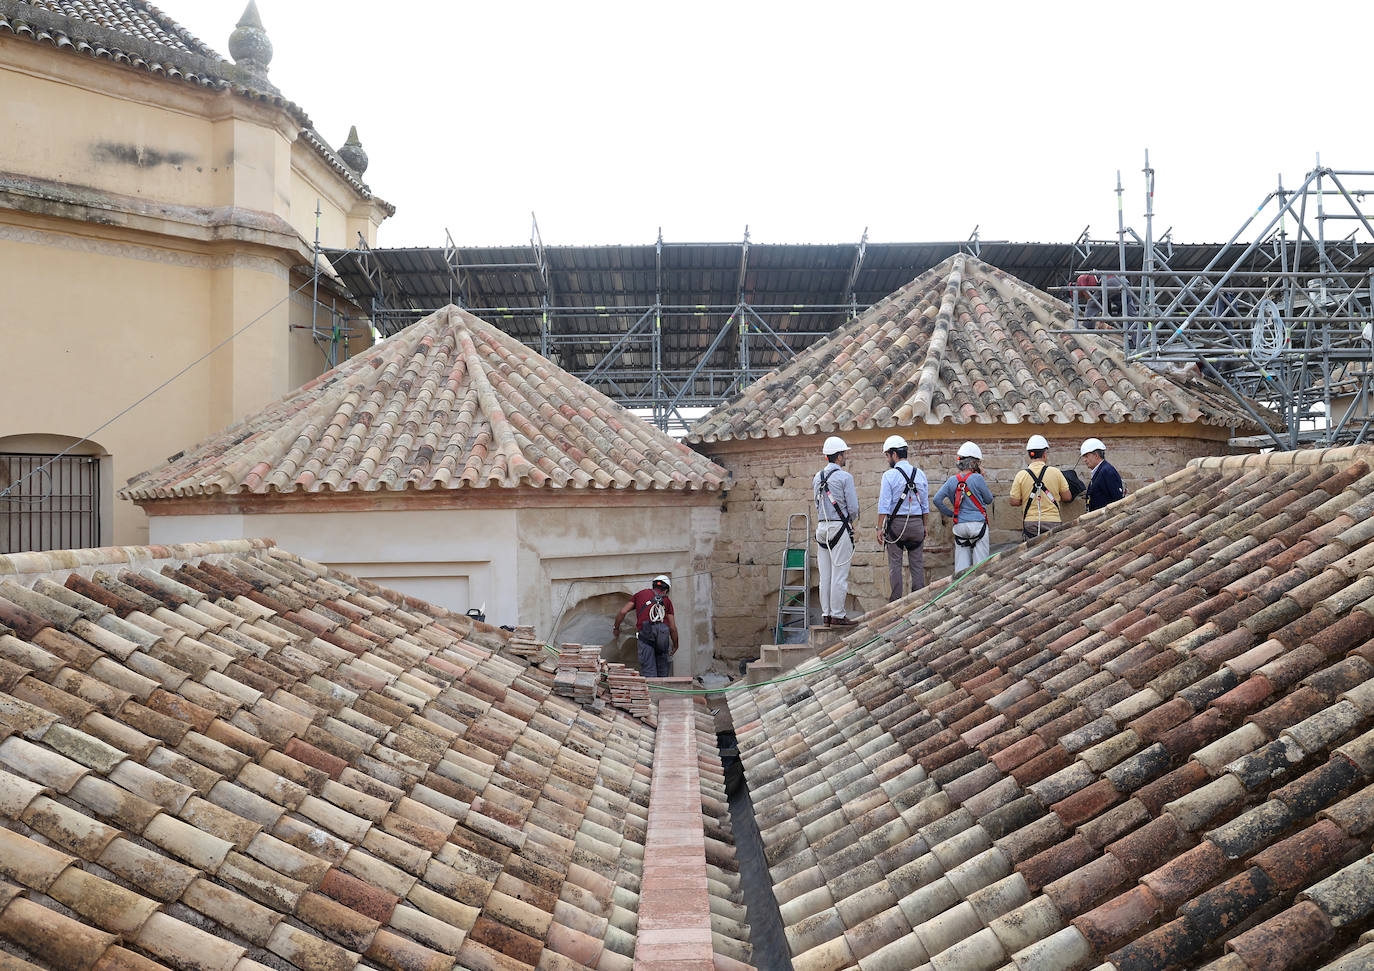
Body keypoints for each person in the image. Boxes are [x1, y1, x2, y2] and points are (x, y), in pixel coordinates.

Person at [876, 434, 928, 601]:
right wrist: (924, 526)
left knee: (895, 566)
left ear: (894, 454)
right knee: (917, 565)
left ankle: (896, 602)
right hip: (917, 523)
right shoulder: (920, 474)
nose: (887, 459)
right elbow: (925, 505)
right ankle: (918, 601)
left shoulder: (889, 476)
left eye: (887, 456)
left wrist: (879, 528)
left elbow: (884, 505)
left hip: (896, 525)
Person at [813, 436, 859, 627]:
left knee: (825, 576)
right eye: (844, 454)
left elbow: (817, 504)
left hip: (821, 527)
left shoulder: (817, 477)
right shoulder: (845, 477)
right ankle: (838, 615)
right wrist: (850, 520)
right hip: (839, 527)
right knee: (839, 575)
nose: (845, 456)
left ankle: (826, 615)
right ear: (839, 457)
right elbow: (853, 508)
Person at [932, 441, 995, 572]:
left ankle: (961, 589)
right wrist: (981, 478)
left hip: (959, 525)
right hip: (978, 526)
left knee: (961, 568)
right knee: (981, 566)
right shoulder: (978, 478)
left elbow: (937, 500)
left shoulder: (952, 480)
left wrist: (952, 514)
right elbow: (989, 500)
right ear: (974, 463)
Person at [612, 575, 679, 677]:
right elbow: (672, 627)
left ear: (653, 585)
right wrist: (676, 644)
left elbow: (622, 612)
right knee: (663, 668)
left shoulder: (640, 594)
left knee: (648, 669)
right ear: (666, 590)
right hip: (663, 636)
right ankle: (662, 691)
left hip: (645, 635)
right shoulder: (667, 601)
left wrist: (616, 628)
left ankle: (651, 691)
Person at [1009, 434, 1072, 541]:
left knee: (1031, 552)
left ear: (1029, 455)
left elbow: (1014, 501)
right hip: (1053, 521)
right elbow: (1067, 497)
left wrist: (1026, 498)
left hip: (1031, 522)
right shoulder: (1056, 472)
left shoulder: (1021, 475)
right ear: (1044, 454)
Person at [1081, 438, 1126, 512]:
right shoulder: (1100, 471)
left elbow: (1117, 500)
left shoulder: (1107, 471)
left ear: (1096, 455)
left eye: (1086, 456)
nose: (1084, 460)